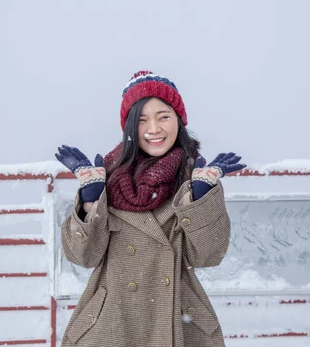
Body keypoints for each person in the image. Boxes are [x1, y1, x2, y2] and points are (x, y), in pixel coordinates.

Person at [55, 70, 246, 347]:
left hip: (176, 319)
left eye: (163, 116)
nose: (153, 129)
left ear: (179, 121)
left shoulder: (195, 176)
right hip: (113, 323)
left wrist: (200, 197)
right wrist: (90, 199)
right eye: (142, 120)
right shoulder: (105, 176)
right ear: (130, 128)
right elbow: (82, 257)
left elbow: (208, 256)